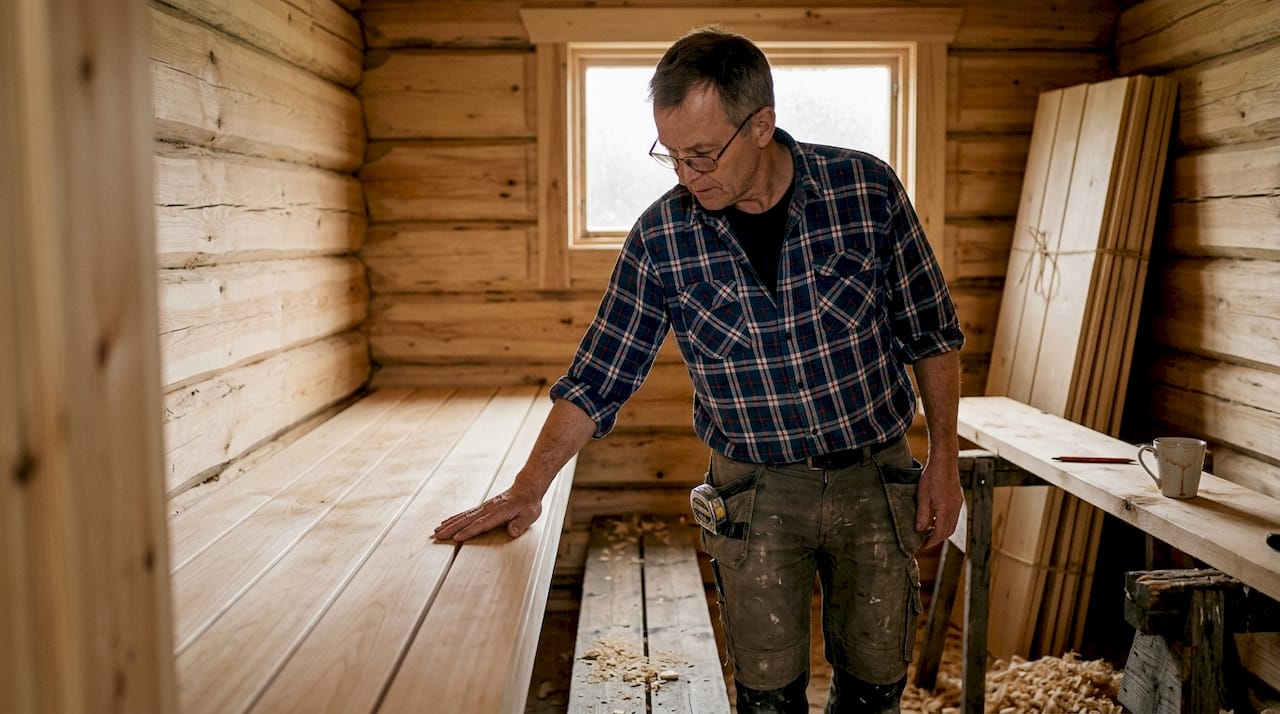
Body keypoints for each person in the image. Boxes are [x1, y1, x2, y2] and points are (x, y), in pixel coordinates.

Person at [434, 26, 965, 713]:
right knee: (767, 696)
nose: (689, 175)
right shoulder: (663, 237)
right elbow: (599, 376)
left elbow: (932, 331)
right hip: (755, 493)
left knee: (873, 689)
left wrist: (944, 458)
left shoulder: (865, 191)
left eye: (705, 153)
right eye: (672, 156)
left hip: (875, 477)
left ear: (763, 124)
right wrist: (526, 488)